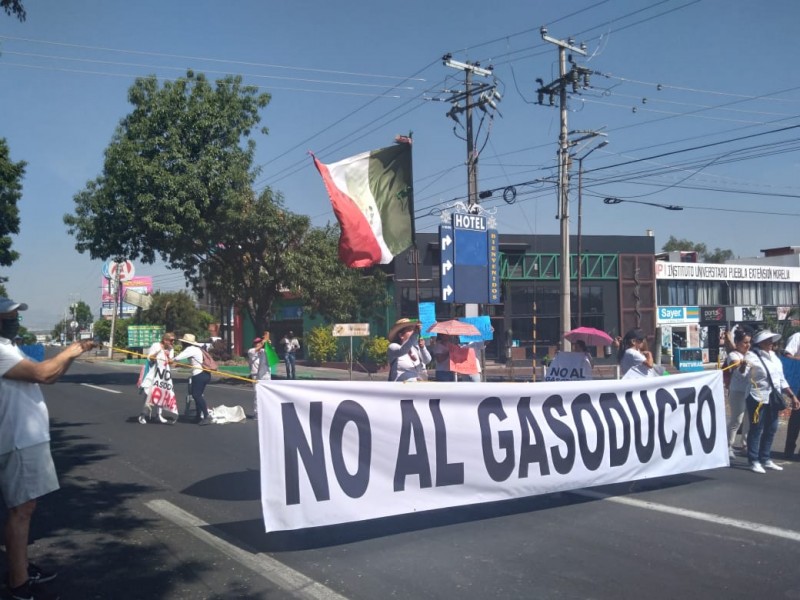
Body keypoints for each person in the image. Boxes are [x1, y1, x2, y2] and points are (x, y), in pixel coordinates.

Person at [0, 297, 96, 600]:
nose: (16, 319)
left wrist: (70, 356)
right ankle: (18, 583)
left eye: (16, 315)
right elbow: (42, 373)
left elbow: (50, 376)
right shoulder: (0, 350)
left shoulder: (9, 346)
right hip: (17, 439)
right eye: (10, 315)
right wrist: (71, 349)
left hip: (25, 438)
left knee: (25, 507)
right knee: (22, 510)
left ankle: (22, 568)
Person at [746, 329, 800, 473]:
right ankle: (754, 459)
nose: (771, 343)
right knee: (757, 428)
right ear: (760, 343)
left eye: (771, 340)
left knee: (772, 428)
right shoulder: (751, 356)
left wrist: (792, 395)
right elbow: (743, 373)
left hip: (773, 396)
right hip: (757, 396)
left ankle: (765, 458)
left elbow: (781, 379)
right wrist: (742, 366)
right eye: (768, 341)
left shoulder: (775, 357)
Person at [723, 328, 753, 458]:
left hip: (750, 391)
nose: (748, 345)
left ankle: (745, 445)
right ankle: (728, 445)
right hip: (737, 391)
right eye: (745, 342)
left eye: (749, 342)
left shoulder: (750, 354)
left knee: (748, 419)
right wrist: (743, 364)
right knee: (737, 419)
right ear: (738, 343)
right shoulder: (733, 355)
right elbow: (738, 369)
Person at [173, 333, 212, 425]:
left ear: (186, 343)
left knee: (196, 395)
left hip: (199, 375)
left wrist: (170, 359)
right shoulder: (197, 349)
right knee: (198, 395)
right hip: (205, 374)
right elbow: (192, 364)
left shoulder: (190, 349)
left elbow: (177, 358)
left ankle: (206, 416)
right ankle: (198, 416)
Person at [138, 331, 176, 424]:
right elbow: (150, 358)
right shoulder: (156, 345)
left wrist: (168, 356)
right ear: (165, 340)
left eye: (173, 341)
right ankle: (143, 415)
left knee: (162, 393)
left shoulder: (171, 349)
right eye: (171, 340)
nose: (172, 343)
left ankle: (159, 415)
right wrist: (158, 352)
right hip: (154, 373)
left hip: (164, 374)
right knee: (149, 394)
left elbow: (170, 362)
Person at [781, 330, 800, 459]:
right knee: (796, 417)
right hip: (798, 382)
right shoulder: (797, 337)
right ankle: (789, 448)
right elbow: (787, 355)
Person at [247, 337, 271, 419]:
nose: (258, 343)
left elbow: (271, 356)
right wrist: (262, 344)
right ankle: (256, 413)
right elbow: (256, 350)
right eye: (257, 342)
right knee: (257, 394)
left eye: (259, 342)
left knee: (267, 394)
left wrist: (269, 345)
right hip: (255, 375)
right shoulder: (251, 351)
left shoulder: (263, 351)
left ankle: (266, 412)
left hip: (265, 374)